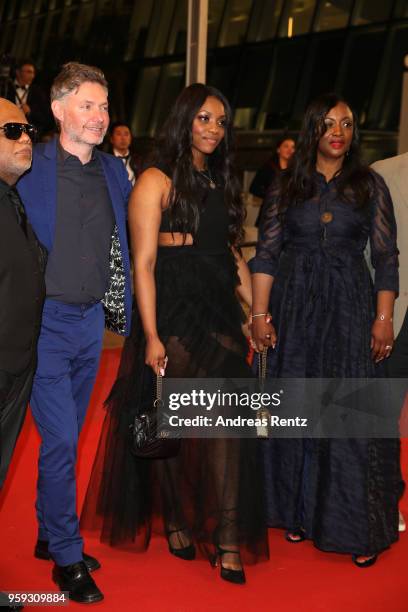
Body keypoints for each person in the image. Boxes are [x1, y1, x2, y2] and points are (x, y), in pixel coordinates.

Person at [81, 83, 269, 584]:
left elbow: (230, 253)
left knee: (228, 422)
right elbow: (143, 263)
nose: (212, 128)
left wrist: (255, 313)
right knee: (175, 419)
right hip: (172, 311)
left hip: (219, 309)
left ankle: (228, 538)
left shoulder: (221, 180)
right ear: (184, 119)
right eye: (204, 118)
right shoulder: (155, 180)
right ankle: (179, 519)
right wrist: (152, 336)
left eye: (221, 121)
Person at [250, 93, 400, 567]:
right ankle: (300, 514)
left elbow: (386, 257)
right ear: (313, 128)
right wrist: (259, 314)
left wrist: (383, 318)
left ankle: (353, 525)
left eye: (348, 124)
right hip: (293, 308)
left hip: (350, 308)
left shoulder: (369, 185)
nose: (339, 132)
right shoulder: (286, 186)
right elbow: (267, 254)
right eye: (330, 123)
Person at [17, 62, 132, 604]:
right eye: (87, 105)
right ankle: (66, 556)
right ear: (59, 110)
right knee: (62, 439)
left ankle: (48, 531)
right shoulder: (27, 164)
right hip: (41, 326)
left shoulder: (114, 172)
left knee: (66, 440)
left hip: (91, 327)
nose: (100, 117)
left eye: (104, 106)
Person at [0, 98, 46, 489]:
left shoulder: (17, 201)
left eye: (28, 130)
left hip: (17, 371)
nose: (25, 138)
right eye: (12, 131)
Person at [371, 152, 408, 532]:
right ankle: (385, 499)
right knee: (385, 414)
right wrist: (380, 316)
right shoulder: (384, 173)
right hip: (400, 314)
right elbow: (372, 254)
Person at [249, 136, 295, 227]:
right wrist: (272, 195)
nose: (290, 150)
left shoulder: (296, 170)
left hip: (290, 215)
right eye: (286, 146)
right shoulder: (268, 168)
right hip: (270, 214)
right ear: (278, 150)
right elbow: (253, 188)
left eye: (293, 147)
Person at [6, 59, 52, 136]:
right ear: (18, 72)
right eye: (28, 72)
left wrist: (30, 112)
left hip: (26, 133)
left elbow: (45, 117)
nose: (32, 76)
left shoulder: (38, 93)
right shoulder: (5, 87)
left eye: (33, 73)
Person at [109, 121, 141, 186]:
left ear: (131, 138)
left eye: (126, 134)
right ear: (111, 139)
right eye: (118, 134)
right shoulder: (105, 159)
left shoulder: (139, 159)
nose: (123, 138)